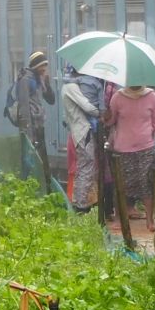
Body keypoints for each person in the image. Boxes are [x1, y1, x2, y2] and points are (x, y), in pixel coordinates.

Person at [106, 84, 155, 227]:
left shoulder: (151, 96)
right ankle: (119, 219)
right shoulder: (117, 97)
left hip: (146, 147)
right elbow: (110, 121)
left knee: (146, 183)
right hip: (123, 149)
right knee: (122, 185)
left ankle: (150, 220)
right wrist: (107, 116)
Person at [61, 68, 103, 213]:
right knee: (87, 167)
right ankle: (82, 205)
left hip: (76, 132)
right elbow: (86, 106)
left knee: (81, 168)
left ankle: (78, 202)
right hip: (83, 131)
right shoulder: (71, 87)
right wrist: (99, 113)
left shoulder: (65, 87)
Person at [15, 50, 56, 160]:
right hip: (30, 126)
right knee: (30, 157)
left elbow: (51, 100)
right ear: (36, 65)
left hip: (38, 124)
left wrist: (47, 83)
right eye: (42, 66)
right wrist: (28, 133)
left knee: (39, 157)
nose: (44, 69)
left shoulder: (39, 79)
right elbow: (24, 106)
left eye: (45, 66)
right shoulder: (25, 80)